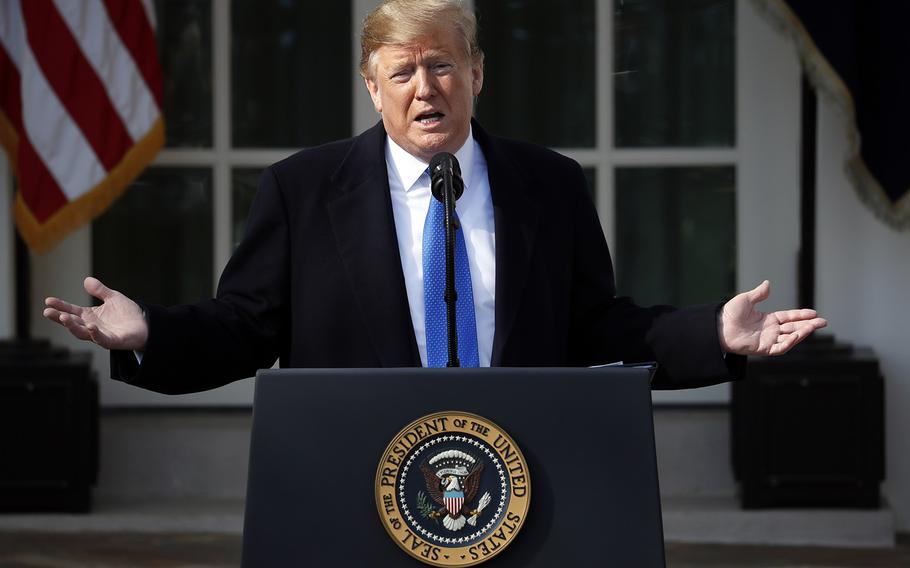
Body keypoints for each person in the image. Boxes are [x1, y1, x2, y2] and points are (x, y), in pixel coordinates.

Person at [42, 0, 825, 394]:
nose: (427, 89)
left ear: (477, 74)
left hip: (519, 476)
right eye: (404, 71)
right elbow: (246, 327)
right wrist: (149, 333)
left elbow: (596, 326)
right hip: (357, 479)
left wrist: (712, 334)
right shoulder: (304, 189)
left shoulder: (547, 184)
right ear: (372, 85)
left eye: (444, 66)